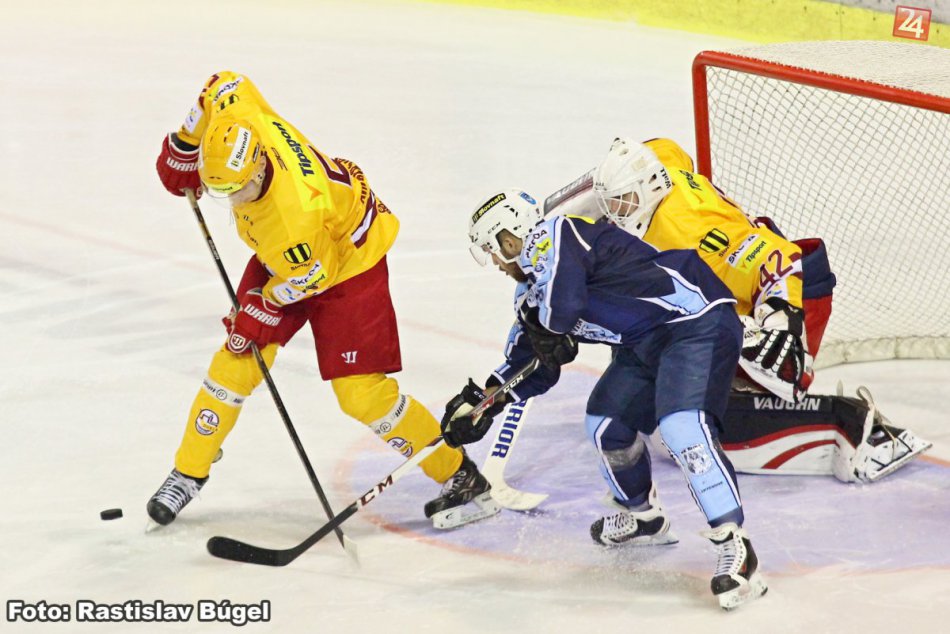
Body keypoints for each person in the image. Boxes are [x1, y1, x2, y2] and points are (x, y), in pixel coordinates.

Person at [147, 71, 499, 529]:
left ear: (256, 167)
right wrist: (185, 142)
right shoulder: (242, 118)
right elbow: (222, 84)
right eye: (221, 193)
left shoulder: (295, 217)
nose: (232, 203)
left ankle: (459, 473)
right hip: (296, 257)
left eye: (236, 191)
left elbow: (314, 275)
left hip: (349, 265)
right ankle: (187, 472)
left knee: (361, 397)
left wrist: (263, 305)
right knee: (235, 362)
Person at [444, 190, 768, 610]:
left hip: (696, 320)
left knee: (681, 426)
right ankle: (645, 519)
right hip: (645, 345)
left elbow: (564, 305)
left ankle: (737, 547)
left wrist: (552, 330)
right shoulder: (530, 296)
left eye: (493, 250)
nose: (495, 262)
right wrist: (483, 403)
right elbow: (531, 362)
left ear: (511, 239)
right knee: (604, 427)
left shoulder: (563, 235)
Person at [543, 137, 931, 483]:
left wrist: (780, 322)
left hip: (784, 296)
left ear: (650, 186)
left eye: (621, 201)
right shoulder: (664, 172)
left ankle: (858, 428)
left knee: (688, 425)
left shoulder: (686, 228)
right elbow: (665, 146)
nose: (612, 212)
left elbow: (774, 257)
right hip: (739, 293)